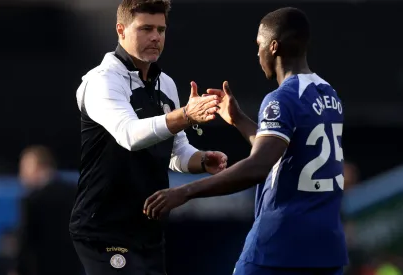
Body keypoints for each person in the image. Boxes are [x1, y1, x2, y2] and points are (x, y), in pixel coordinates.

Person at [144, 7, 348, 275]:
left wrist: (185, 192)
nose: (257, 53)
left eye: (259, 44)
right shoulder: (329, 95)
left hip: (280, 247)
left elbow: (258, 166)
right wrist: (238, 118)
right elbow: (285, 154)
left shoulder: (281, 98)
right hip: (326, 249)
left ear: (273, 47)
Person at [69, 0, 228, 274]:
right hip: (104, 230)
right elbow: (129, 134)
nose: (155, 37)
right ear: (121, 30)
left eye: (161, 29)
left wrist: (201, 160)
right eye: (145, 28)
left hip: (148, 231)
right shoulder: (102, 80)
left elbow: (175, 152)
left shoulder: (165, 84)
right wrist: (185, 115)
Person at [17, 145, 82, 275]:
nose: (22, 173)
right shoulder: (75, 191)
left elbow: (27, 243)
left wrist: (20, 269)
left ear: (39, 166)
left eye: (25, 167)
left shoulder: (32, 200)